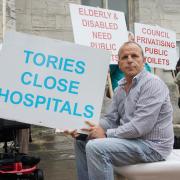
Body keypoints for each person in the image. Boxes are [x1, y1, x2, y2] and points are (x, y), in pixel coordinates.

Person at [66, 41, 174, 180]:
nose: (129, 60)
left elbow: (140, 127)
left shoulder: (152, 83)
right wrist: (85, 129)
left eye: (134, 56)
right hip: (132, 141)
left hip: (153, 146)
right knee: (81, 141)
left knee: (95, 147)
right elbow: (111, 119)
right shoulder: (120, 88)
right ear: (119, 63)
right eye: (124, 57)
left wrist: (105, 134)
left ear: (143, 61)